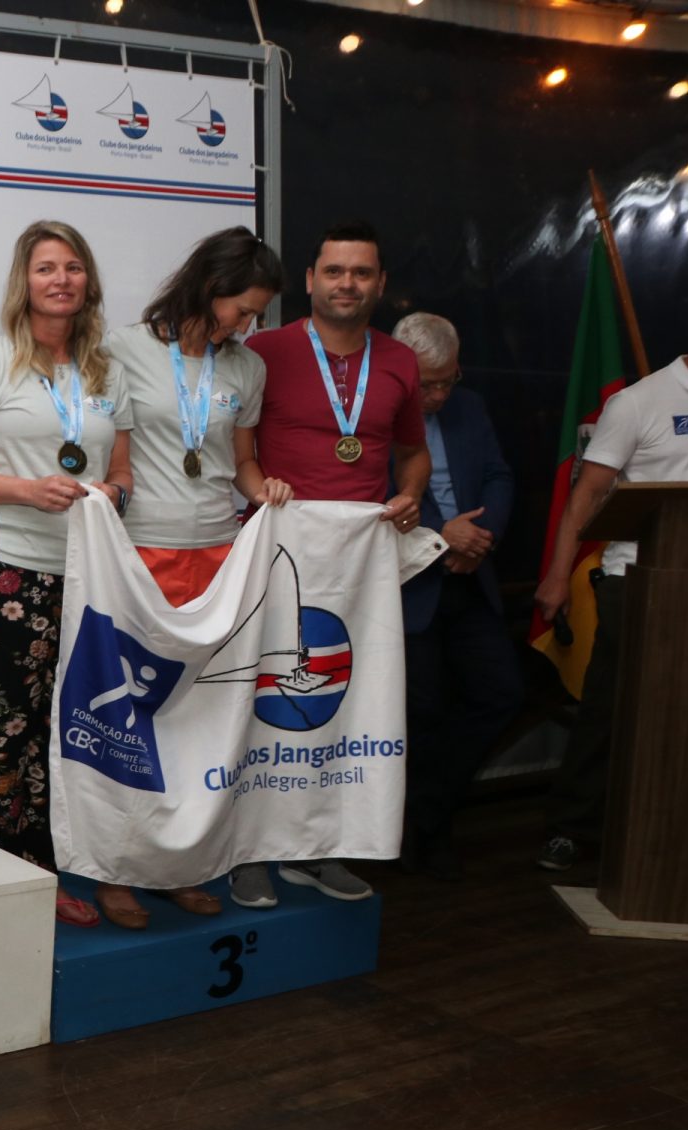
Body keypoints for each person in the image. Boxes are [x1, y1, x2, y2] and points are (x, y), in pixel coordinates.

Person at [236, 219, 428, 910]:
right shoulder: (262, 352)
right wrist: (258, 487)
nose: (348, 283)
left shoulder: (400, 361)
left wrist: (411, 494)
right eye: (336, 271)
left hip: (358, 570)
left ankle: (321, 848)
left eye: (362, 272)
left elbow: (412, 452)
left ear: (380, 283)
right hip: (278, 555)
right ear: (311, 279)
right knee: (261, 703)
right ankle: (250, 850)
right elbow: (238, 451)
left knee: (343, 704)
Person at [100, 225, 286, 925]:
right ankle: (117, 871)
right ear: (211, 288)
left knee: (195, 725)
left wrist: (265, 489)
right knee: (130, 721)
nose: (249, 325)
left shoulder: (247, 369)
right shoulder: (121, 350)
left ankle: (175, 866)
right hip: (140, 557)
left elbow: (242, 462)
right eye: (244, 309)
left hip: (217, 559)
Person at [0, 221, 132, 931]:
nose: (61, 280)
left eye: (73, 267)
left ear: (89, 281)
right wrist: (28, 490)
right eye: (46, 268)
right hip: (6, 575)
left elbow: (125, 473)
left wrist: (112, 493)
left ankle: (63, 861)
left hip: (91, 578)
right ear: (23, 283)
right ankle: (14, 878)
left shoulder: (107, 371)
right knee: (5, 735)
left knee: (73, 730)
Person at [534, 353, 688, 871]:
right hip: (638, 580)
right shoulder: (637, 402)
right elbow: (587, 494)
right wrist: (559, 576)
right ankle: (572, 828)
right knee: (610, 706)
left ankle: (668, 828)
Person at [389, 312, 520, 881]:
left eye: (448, 380)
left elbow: (498, 476)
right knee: (421, 711)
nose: (439, 395)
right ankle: (425, 830)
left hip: (469, 577)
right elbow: (375, 494)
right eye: (428, 384)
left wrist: (478, 538)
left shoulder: (470, 407)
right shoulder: (374, 415)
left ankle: (425, 810)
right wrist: (444, 534)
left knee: (502, 693)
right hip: (410, 585)